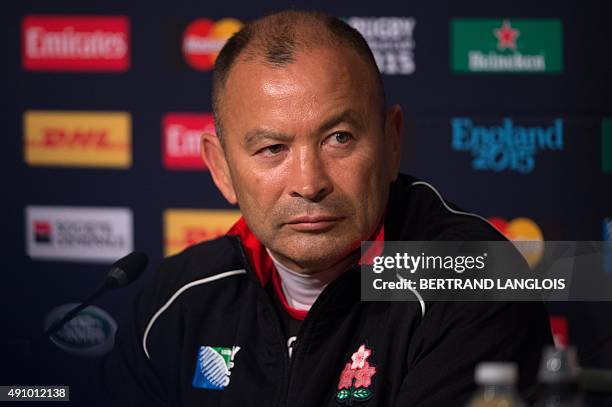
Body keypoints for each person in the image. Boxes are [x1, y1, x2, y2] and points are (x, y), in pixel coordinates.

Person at [103, 10, 552, 406]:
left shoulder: (475, 279)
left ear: (392, 141)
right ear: (220, 168)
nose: (309, 183)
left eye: (339, 139)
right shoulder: (177, 300)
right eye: (273, 148)